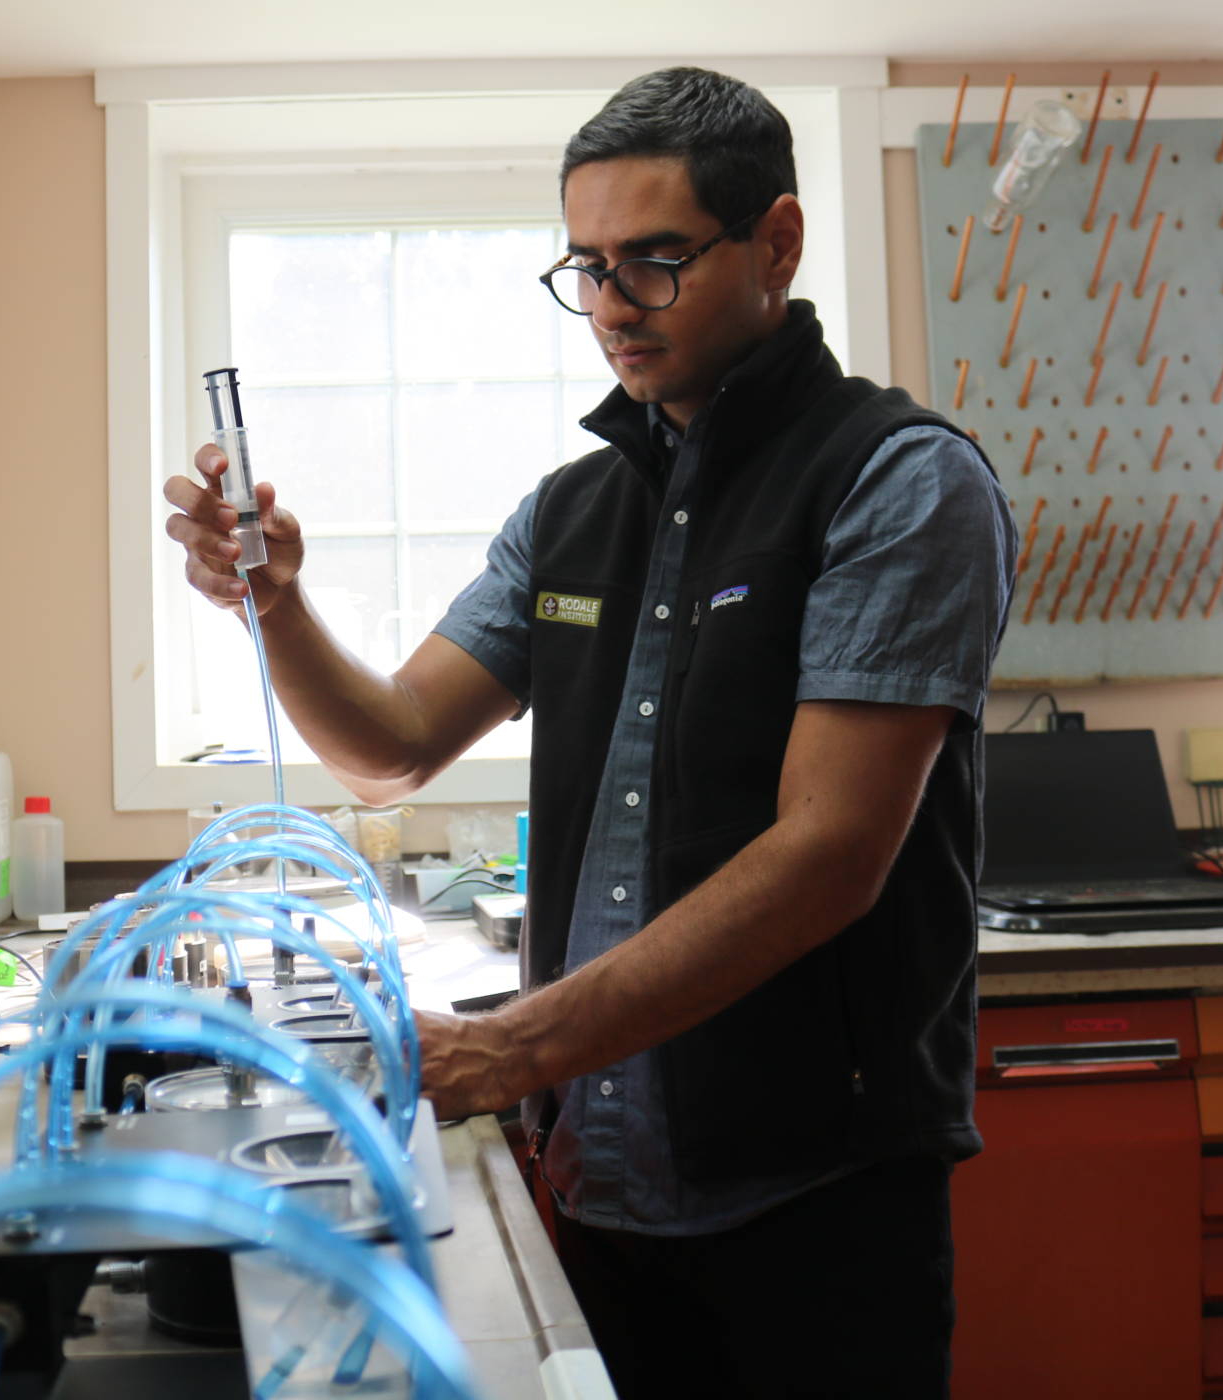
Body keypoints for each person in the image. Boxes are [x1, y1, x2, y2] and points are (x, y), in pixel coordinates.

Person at [164, 66, 1016, 1398]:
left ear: (778, 242)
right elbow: (387, 745)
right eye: (587, 267)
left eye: (656, 262)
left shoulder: (896, 481)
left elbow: (831, 852)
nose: (612, 308)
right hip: (604, 1182)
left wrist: (513, 1048)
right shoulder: (571, 511)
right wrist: (272, 599)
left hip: (816, 1197)